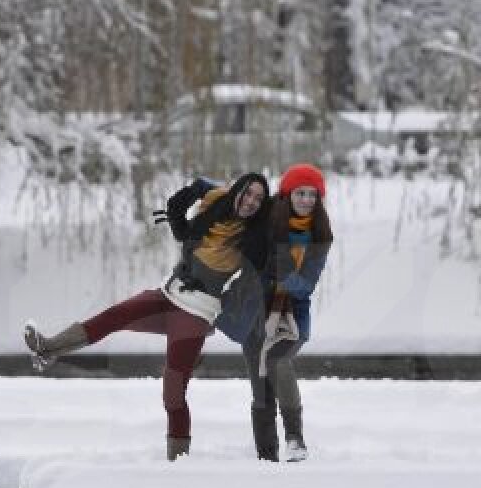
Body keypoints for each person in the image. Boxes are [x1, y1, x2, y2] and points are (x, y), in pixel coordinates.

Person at [23, 173, 271, 460]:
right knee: (113, 316)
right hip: (167, 296)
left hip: (196, 314)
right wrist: (196, 188)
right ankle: (48, 348)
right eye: (248, 193)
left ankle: (177, 461)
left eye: (259, 199)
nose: (251, 201)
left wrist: (228, 300)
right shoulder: (216, 202)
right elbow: (185, 211)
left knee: (173, 391)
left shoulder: (254, 235)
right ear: (237, 190)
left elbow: (258, 275)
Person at [244, 163, 334, 462]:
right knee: (261, 388)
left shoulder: (319, 234)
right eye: (301, 192)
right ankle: (265, 457)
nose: (307, 199)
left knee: (276, 360)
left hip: (293, 316)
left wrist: (274, 276)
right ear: (287, 194)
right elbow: (237, 204)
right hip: (255, 314)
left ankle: (295, 440)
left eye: (313, 194)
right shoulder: (267, 221)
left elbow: (303, 285)